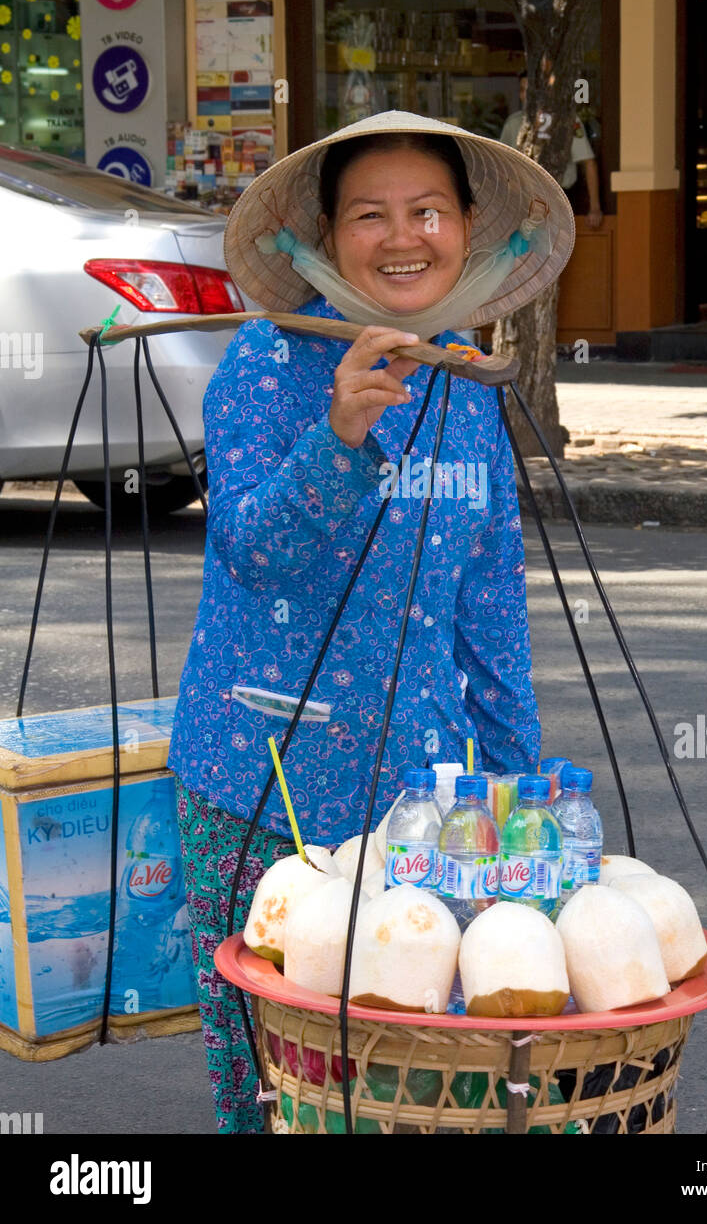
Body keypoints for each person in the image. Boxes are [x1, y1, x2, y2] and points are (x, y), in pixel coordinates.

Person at [166, 110, 575, 1132]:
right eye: (369, 215)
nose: (402, 238)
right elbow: (251, 554)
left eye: (426, 211)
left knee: (413, 1082)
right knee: (279, 1085)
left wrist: (521, 796)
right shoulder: (265, 369)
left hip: (421, 807)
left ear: (466, 225)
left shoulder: (464, 383)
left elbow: (488, 613)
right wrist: (339, 435)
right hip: (265, 791)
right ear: (323, 235)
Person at [500, 71, 603, 229]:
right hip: (522, 202)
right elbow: (502, 167)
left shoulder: (567, 122)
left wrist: (595, 208)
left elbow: (588, 163)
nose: (527, 96)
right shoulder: (513, 124)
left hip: (560, 199)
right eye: (523, 90)